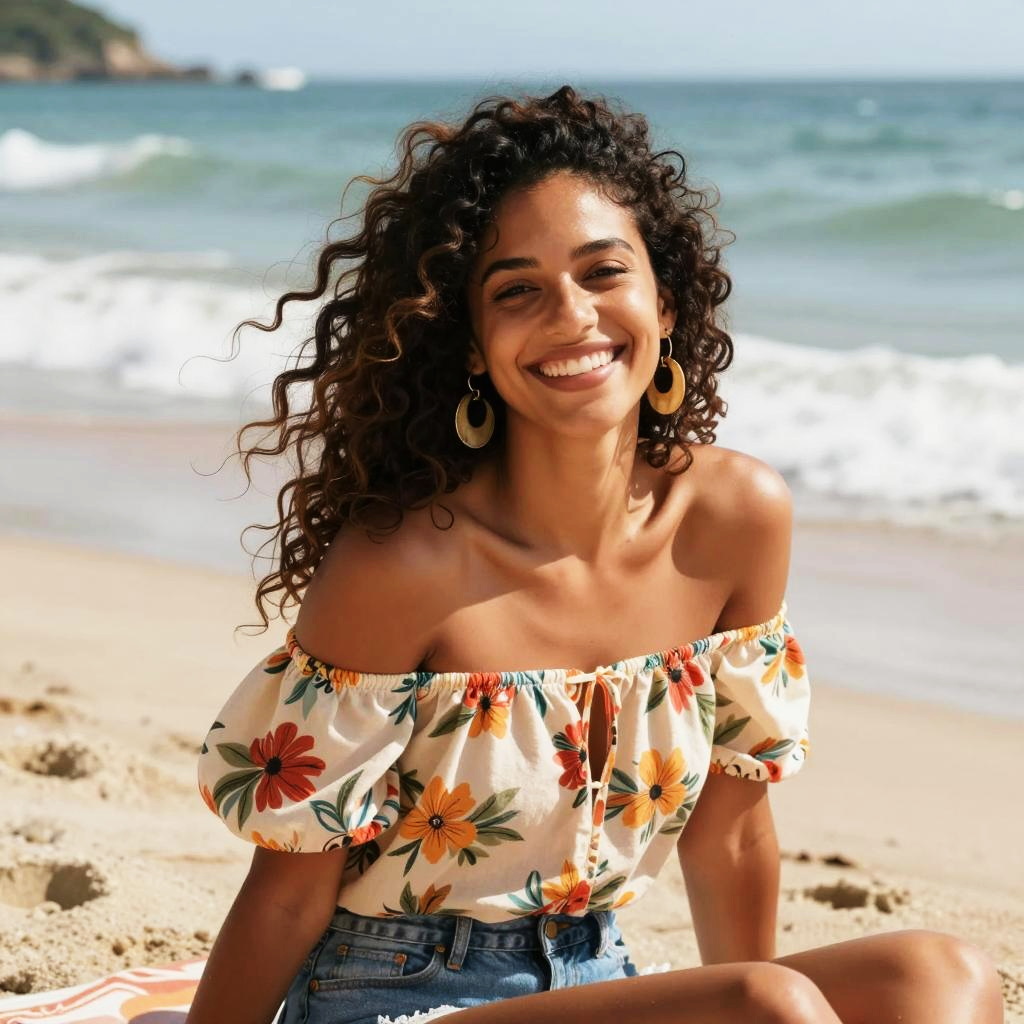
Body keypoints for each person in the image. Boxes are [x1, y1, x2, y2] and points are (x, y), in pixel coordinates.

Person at [187, 87, 1003, 1024]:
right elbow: (287, 893)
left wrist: (754, 1003)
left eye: (603, 272)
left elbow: (730, 840)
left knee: (943, 977)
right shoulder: (407, 564)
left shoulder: (735, 516)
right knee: (768, 1004)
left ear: (665, 294)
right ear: (471, 343)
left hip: (598, 978)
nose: (573, 316)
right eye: (517, 290)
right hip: (392, 995)